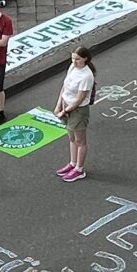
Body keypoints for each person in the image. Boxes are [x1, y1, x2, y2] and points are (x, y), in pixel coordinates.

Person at [54, 46, 97, 181]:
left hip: (78, 110)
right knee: (71, 138)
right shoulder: (72, 67)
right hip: (67, 105)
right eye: (73, 58)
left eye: (77, 59)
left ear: (85, 59)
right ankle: (72, 163)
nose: (74, 61)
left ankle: (79, 168)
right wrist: (59, 104)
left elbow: (79, 99)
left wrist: (64, 111)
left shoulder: (87, 76)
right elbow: (65, 87)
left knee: (80, 141)